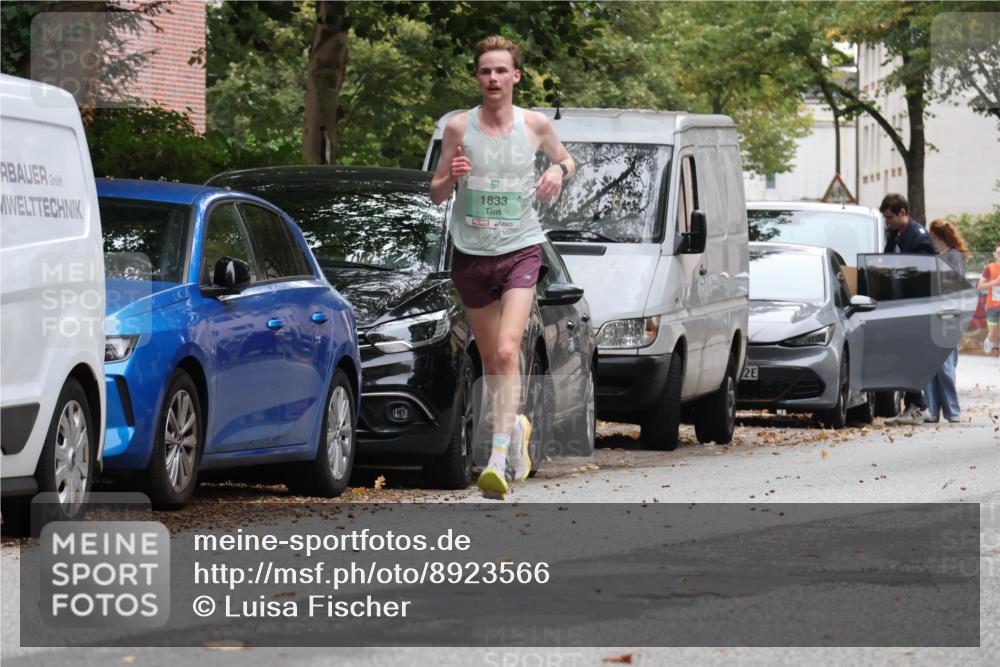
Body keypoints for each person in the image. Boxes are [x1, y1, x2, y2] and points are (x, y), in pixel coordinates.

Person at [430, 36, 575, 497]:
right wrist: (450, 177)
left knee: (509, 352)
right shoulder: (457, 127)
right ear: (477, 78)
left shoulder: (534, 125)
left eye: (500, 71)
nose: (492, 78)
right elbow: (434, 194)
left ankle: (495, 456)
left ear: (516, 76)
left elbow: (568, 160)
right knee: (493, 359)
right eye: (484, 71)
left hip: (520, 249)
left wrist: (558, 171)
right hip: (471, 254)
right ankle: (516, 431)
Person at [881, 193, 935, 426]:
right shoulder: (896, 234)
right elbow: (884, 262)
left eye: (890, 217)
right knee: (902, 357)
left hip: (914, 307)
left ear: (902, 212)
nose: (888, 222)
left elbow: (922, 273)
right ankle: (913, 405)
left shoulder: (919, 237)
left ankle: (918, 406)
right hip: (898, 306)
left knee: (908, 357)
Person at [922, 220, 969, 423]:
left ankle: (952, 410)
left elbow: (956, 282)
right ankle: (933, 410)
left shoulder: (954, 256)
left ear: (934, 234)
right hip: (934, 314)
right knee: (931, 364)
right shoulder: (937, 256)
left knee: (946, 364)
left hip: (949, 316)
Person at [980, 243, 1000, 355]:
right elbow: (980, 286)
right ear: (994, 254)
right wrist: (995, 282)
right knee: (993, 334)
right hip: (992, 306)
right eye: (999, 252)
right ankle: (990, 341)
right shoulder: (989, 268)